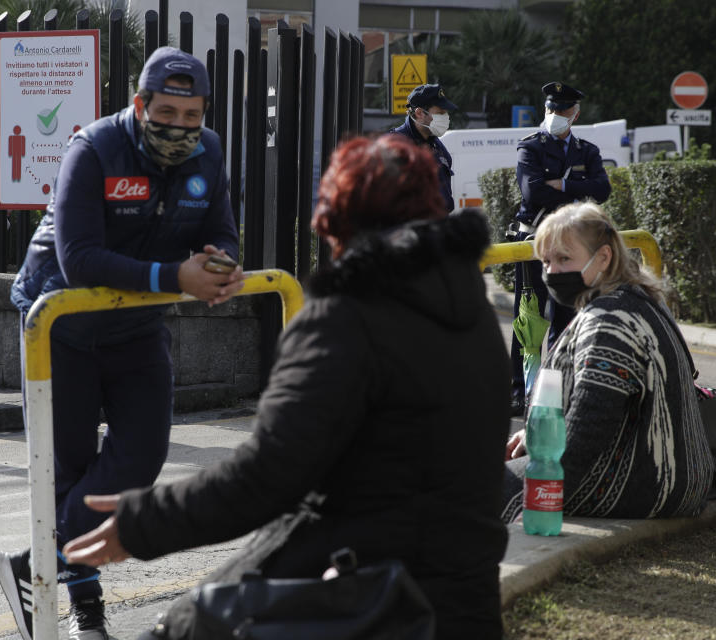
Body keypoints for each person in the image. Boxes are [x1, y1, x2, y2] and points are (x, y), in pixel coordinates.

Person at [62, 135, 513, 640]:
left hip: (367, 603)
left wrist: (142, 522)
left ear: (336, 220)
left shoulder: (347, 318)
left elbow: (266, 476)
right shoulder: (474, 316)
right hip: (465, 604)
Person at [0, 47, 244, 640]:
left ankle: (38, 563)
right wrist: (172, 278)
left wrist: (222, 265)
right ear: (139, 105)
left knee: (138, 462)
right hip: (61, 328)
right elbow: (78, 260)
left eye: (192, 114)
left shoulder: (208, 152)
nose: (180, 126)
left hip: (135, 329)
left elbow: (221, 231)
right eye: (166, 111)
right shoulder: (93, 149)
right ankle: (87, 617)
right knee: (70, 472)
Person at [503, 202, 712, 521]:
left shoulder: (608, 321)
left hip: (643, 486)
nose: (552, 273)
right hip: (678, 481)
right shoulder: (636, 299)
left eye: (564, 259)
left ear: (603, 257)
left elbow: (587, 432)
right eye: (546, 262)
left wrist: (535, 502)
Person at [509, 82, 612, 416]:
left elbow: (603, 189)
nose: (555, 116)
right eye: (551, 110)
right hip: (534, 242)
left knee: (566, 318)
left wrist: (565, 184)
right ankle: (518, 391)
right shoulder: (531, 148)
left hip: (571, 245)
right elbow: (533, 193)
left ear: (575, 114)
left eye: (562, 111)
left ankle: (557, 388)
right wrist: (577, 193)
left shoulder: (586, 150)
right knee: (529, 319)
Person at [391, 83, 457, 212]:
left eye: (446, 113)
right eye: (440, 113)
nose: (446, 118)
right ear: (420, 113)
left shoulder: (439, 148)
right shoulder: (394, 146)